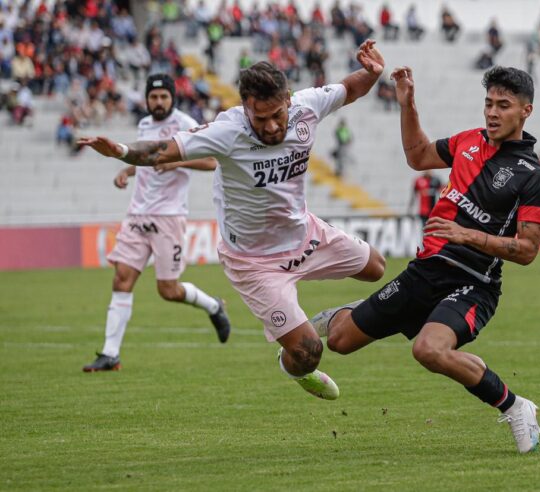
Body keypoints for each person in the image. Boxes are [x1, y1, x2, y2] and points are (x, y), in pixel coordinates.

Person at [78, 41, 387, 399]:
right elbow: (166, 149)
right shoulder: (227, 131)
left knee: (376, 268)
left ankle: (316, 321)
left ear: (289, 99)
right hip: (254, 262)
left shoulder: (307, 106)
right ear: (245, 108)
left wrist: (372, 73)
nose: (271, 126)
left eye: (277, 115)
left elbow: (349, 89)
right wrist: (121, 151)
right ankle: (290, 358)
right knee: (307, 354)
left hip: (305, 235)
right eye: (260, 118)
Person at [309, 66, 540, 454]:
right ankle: (352, 312)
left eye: (503, 105)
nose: (492, 112)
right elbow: (419, 156)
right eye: (489, 103)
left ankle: (515, 406)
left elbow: (526, 250)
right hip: (424, 272)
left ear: (526, 111)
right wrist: (408, 105)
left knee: (429, 350)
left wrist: (466, 235)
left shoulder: (534, 176)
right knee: (338, 341)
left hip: (474, 284)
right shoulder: (468, 141)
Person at [82, 74, 231, 372]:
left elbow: (213, 161)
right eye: (154, 97)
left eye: (164, 97)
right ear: (147, 99)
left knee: (168, 290)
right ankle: (111, 354)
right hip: (138, 214)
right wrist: (129, 171)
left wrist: (177, 162)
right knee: (122, 278)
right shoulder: (145, 125)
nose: (159, 102)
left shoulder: (186, 123)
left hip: (169, 216)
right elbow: (146, 160)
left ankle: (213, 305)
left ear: (173, 97)